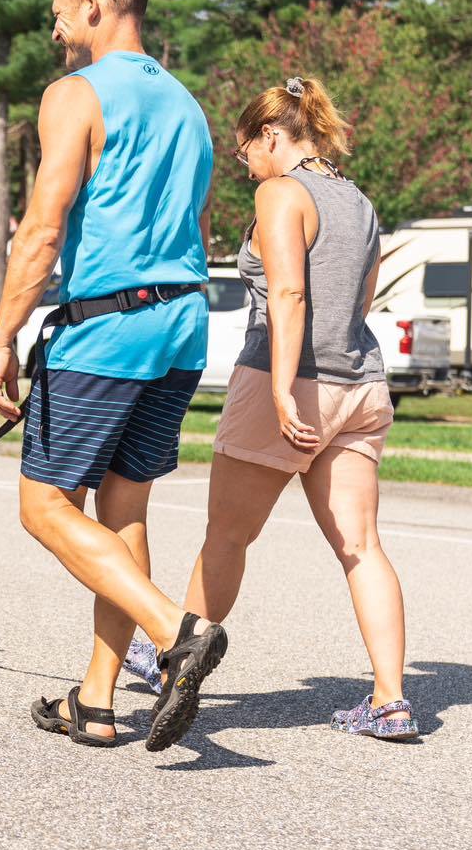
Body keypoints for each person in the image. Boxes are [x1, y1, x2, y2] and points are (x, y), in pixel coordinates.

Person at [0, 0, 226, 752]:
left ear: (95, 5)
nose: (54, 26)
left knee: (44, 507)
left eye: (60, 8)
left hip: (108, 329)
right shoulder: (189, 107)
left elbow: (44, 229)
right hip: (183, 324)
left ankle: (174, 631)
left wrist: (3, 333)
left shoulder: (75, 95)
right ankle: (96, 703)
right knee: (125, 516)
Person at [170, 75, 418, 740]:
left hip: (287, 379)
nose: (243, 162)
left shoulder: (280, 192)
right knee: (361, 546)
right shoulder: (359, 202)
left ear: (271, 137)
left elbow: (288, 296)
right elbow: (358, 303)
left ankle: (173, 666)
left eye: (245, 149)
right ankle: (391, 702)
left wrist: (281, 389)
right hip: (360, 384)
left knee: (227, 534)